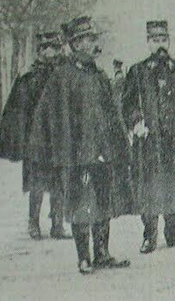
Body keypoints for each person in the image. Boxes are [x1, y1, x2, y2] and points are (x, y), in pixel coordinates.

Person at [29, 16, 133, 274]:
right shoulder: (62, 76)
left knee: (104, 203)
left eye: (92, 39)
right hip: (76, 155)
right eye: (85, 40)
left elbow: (112, 113)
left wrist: (119, 145)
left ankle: (102, 254)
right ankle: (83, 257)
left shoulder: (99, 76)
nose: (90, 44)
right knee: (80, 204)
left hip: (103, 152)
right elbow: (46, 116)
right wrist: (57, 150)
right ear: (75, 44)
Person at [122, 20, 175, 254]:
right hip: (150, 140)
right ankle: (149, 236)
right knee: (149, 186)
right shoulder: (137, 72)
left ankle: (172, 233)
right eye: (155, 40)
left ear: (169, 41)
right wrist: (136, 122)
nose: (160, 45)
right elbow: (128, 103)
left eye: (163, 40)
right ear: (148, 43)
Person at [0, 30, 71, 240]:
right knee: (36, 183)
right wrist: (22, 138)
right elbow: (18, 109)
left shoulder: (64, 75)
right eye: (45, 48)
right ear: (39, 51)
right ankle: (34, 223)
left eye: (54, 48)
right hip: (37, 138)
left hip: (59, 137)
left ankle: (57, 224)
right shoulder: (29, 77)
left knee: (59, 182)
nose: (50, 52)